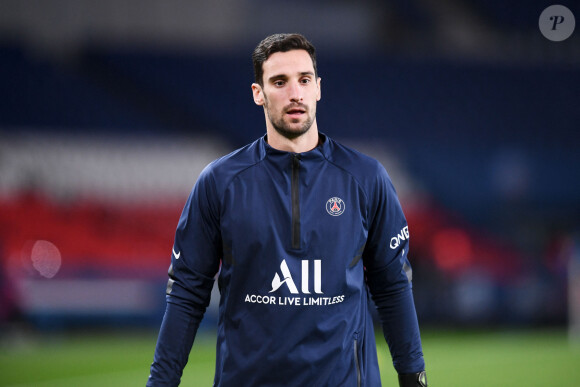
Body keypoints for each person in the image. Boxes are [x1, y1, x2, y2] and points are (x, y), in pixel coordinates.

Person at [147, 33, 427, 387]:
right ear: (258, 93)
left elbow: (393, 287)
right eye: (279, 82)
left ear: (318, 88)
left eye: (304, 80)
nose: (295, 93)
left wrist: (414, 378)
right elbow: (187, 293)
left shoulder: (366, 178)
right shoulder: (220, 183)